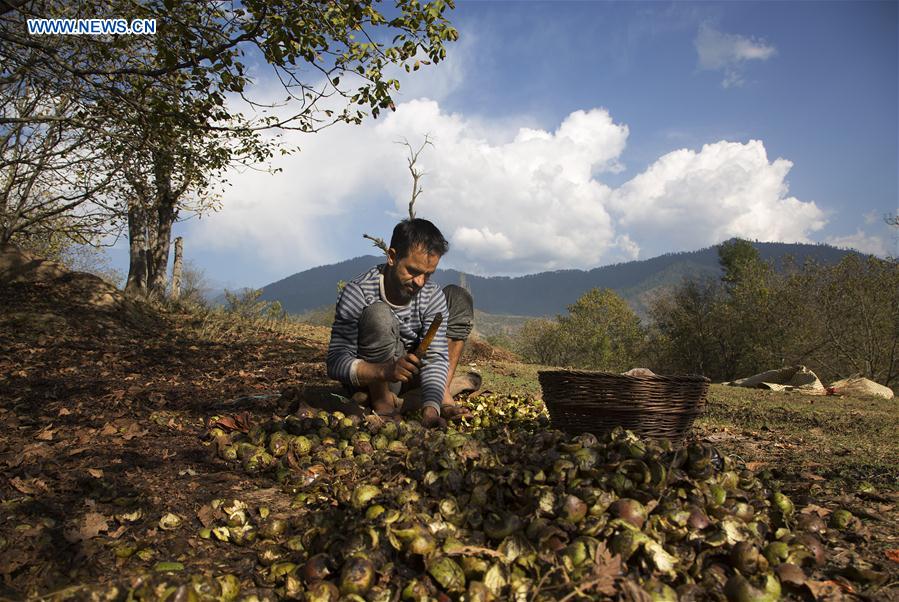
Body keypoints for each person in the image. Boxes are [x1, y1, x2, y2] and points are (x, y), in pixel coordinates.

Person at [326, 218, 474, 428]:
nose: (420, 282)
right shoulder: (358, 292)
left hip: (409, 374)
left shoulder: (431, 295)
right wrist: (384, 371)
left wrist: (430, 410)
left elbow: (435, 357)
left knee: (458, 296)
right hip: (374, 378)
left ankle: (439, 395)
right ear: (392, 257)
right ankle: (383, 404)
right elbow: (336, 363)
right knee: (378, 314)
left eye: (428, 274)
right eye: (413, 271)